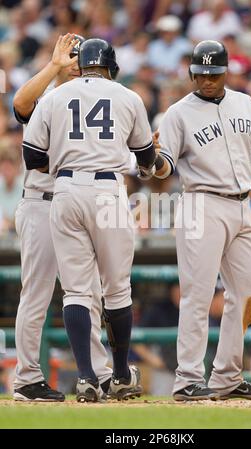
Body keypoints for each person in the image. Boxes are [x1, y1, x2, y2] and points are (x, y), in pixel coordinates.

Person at [22, 38, 158, 402]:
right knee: (116, 288)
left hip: (64, 191)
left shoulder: (55, 96)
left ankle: (85, 378)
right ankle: (119, 375)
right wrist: (133, 160)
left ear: (80, 64)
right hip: (107, 190)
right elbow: (146, 159)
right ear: (110, 66)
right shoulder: (127, 96)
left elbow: (32, 156)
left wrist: (74, 159)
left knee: (76, 291)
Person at [154, 40, 251, 401]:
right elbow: (164, 165)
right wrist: (153, 157)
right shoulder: (178, 113)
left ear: (227, 71)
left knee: (247, 294)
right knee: (197, 295)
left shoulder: (246, 103)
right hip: (201, 202)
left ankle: (227, 376)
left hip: (243, 205)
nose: (207, 79)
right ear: (192, 73)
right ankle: (187, 379)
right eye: (201, 73)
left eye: (214, 73)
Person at [13, 34, 112, 402]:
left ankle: (99, 375)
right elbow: (20, 103)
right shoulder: (49, 99)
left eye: (79, 57)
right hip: (42, 200)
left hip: (77, 202)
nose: (75, 62)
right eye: (71, 56)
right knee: (36, 294)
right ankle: (26, 378)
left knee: (88, 294)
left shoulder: (98, 103)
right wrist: (53, 66)